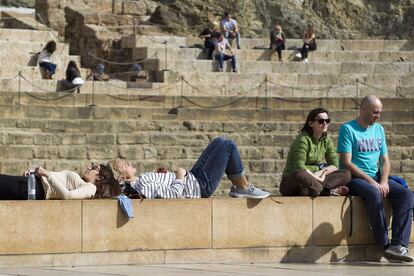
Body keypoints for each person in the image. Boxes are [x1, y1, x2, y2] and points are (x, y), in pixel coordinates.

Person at [337, 95, 414, 262]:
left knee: (406, 195)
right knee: (374, 193)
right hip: (355, 178)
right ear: (363, 109)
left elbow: (385, 160)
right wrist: (372, 182)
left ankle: (399, 245)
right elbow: (346, 162)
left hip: (377, 176)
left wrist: (384, 181)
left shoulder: (379, 129)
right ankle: (384, 246)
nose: (377, 116)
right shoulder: (348, 129)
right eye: (374, 112)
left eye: (379, 113)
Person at [108, 137, 270, 199]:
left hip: (193, 177)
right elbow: (172, 194)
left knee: (219, 141)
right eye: (122, 164)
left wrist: (165, 176)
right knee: (228, 146)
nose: (127, 162)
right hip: (199, 186)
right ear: (122, 177)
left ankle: (240, 186)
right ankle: (243, 187)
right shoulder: (140, 185)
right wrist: (179, 176)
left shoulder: (142, 179)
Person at [280, 108, 351, 197]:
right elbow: (300, 167)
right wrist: (316, 174)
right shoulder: (303, 139)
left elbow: (335, 165)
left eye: (327, 121)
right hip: (293, 182)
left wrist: (322, 173)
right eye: (321, 121)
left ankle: (314, 190)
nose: (325, 123)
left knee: (346, 174)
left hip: (313, 179)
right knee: (300, 174)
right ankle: (326, 191)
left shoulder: (326, 139)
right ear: (311, 123)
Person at [0, 164, 115, 200]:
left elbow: (67, 195)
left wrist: (47, 174)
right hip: (30, 184)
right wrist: (36, 173)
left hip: (31, 189)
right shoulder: (81, 181)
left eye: (94, 168)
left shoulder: (91, 188)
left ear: (99, 177)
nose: (89, 168)